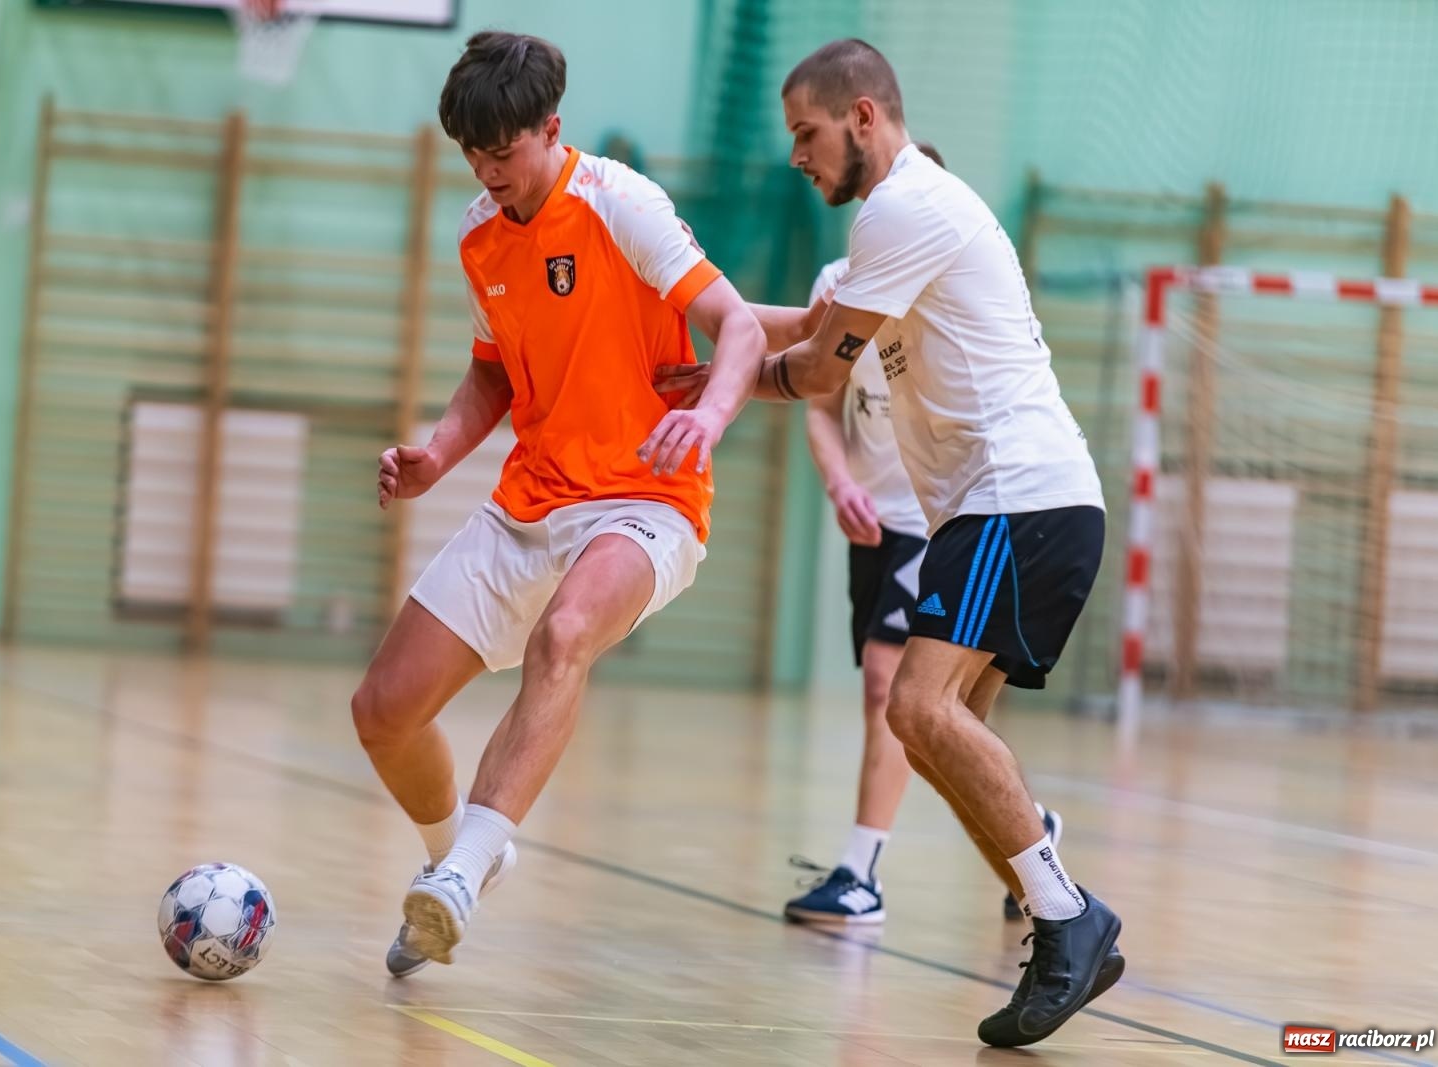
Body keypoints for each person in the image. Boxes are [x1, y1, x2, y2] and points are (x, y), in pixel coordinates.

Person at [659, 39, 1121, 1048]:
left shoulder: (905, 207)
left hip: (1018, 502)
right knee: (951, 746)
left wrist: (727, 385)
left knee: (913, 705)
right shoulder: (894, 227)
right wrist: (716, 337)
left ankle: (1068, 916)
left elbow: (819, 372)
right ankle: (1057, 907)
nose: (797, 157)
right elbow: (815, 326)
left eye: (807, 135)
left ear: (863, 117)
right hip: (1011, 509)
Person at [353, 30, 766, 977]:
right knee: (382, 709)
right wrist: (436, 454)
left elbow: (737, 325)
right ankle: (456, 860)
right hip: (530, 502)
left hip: (644, 498)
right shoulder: (477, 235)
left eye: (504, 151)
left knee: (565, 634)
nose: (489, 171)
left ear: (552, 128)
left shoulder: (621, 204)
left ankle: (458, 877)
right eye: (473, 154)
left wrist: (705, 418)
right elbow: (492, 376)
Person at [784, 144, 1066, 928]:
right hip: (869, 520)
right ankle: (1030, 842)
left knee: (894, 689)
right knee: (946, 717)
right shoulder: (839, 290)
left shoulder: (945, 285)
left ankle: (861, 870)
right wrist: (838, 479)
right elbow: (817, 400)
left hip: (936, 520)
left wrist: (741, 369)